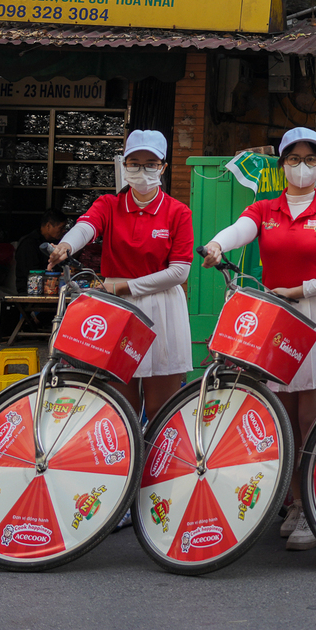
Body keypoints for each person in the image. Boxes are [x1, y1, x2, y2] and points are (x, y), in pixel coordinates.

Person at [199, 128, 316, 551]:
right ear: (282, 165)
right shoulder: (264, 209)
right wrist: (216, 245)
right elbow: (239, 230)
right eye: (294, 159)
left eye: (310, 159)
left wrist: (301, 290)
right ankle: (292, 502)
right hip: (276, 320)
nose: (302, 167)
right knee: (283, 420)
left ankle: (313, 505)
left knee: (314, 419)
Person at [47, 130, 193, 419]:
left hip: (161, 309)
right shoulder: (109, 205)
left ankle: (161, 464)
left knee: (162, 410)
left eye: (151, 163)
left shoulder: (178, 212)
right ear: (124, 166)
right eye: (134, 163)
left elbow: (178, 272)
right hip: (117, 312)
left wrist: (124, 286)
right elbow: (86, 227)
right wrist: (66, 245)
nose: (142, 170)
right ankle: (125, 463)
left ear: (163, 167)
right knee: (118, 409)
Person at [7, 208, 67, 295]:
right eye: (61, 228)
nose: (64, 231)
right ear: (48, 226)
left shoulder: (57, 243)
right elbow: (30, 273)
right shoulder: (29, 243)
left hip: (51, 290)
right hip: (31, 291)